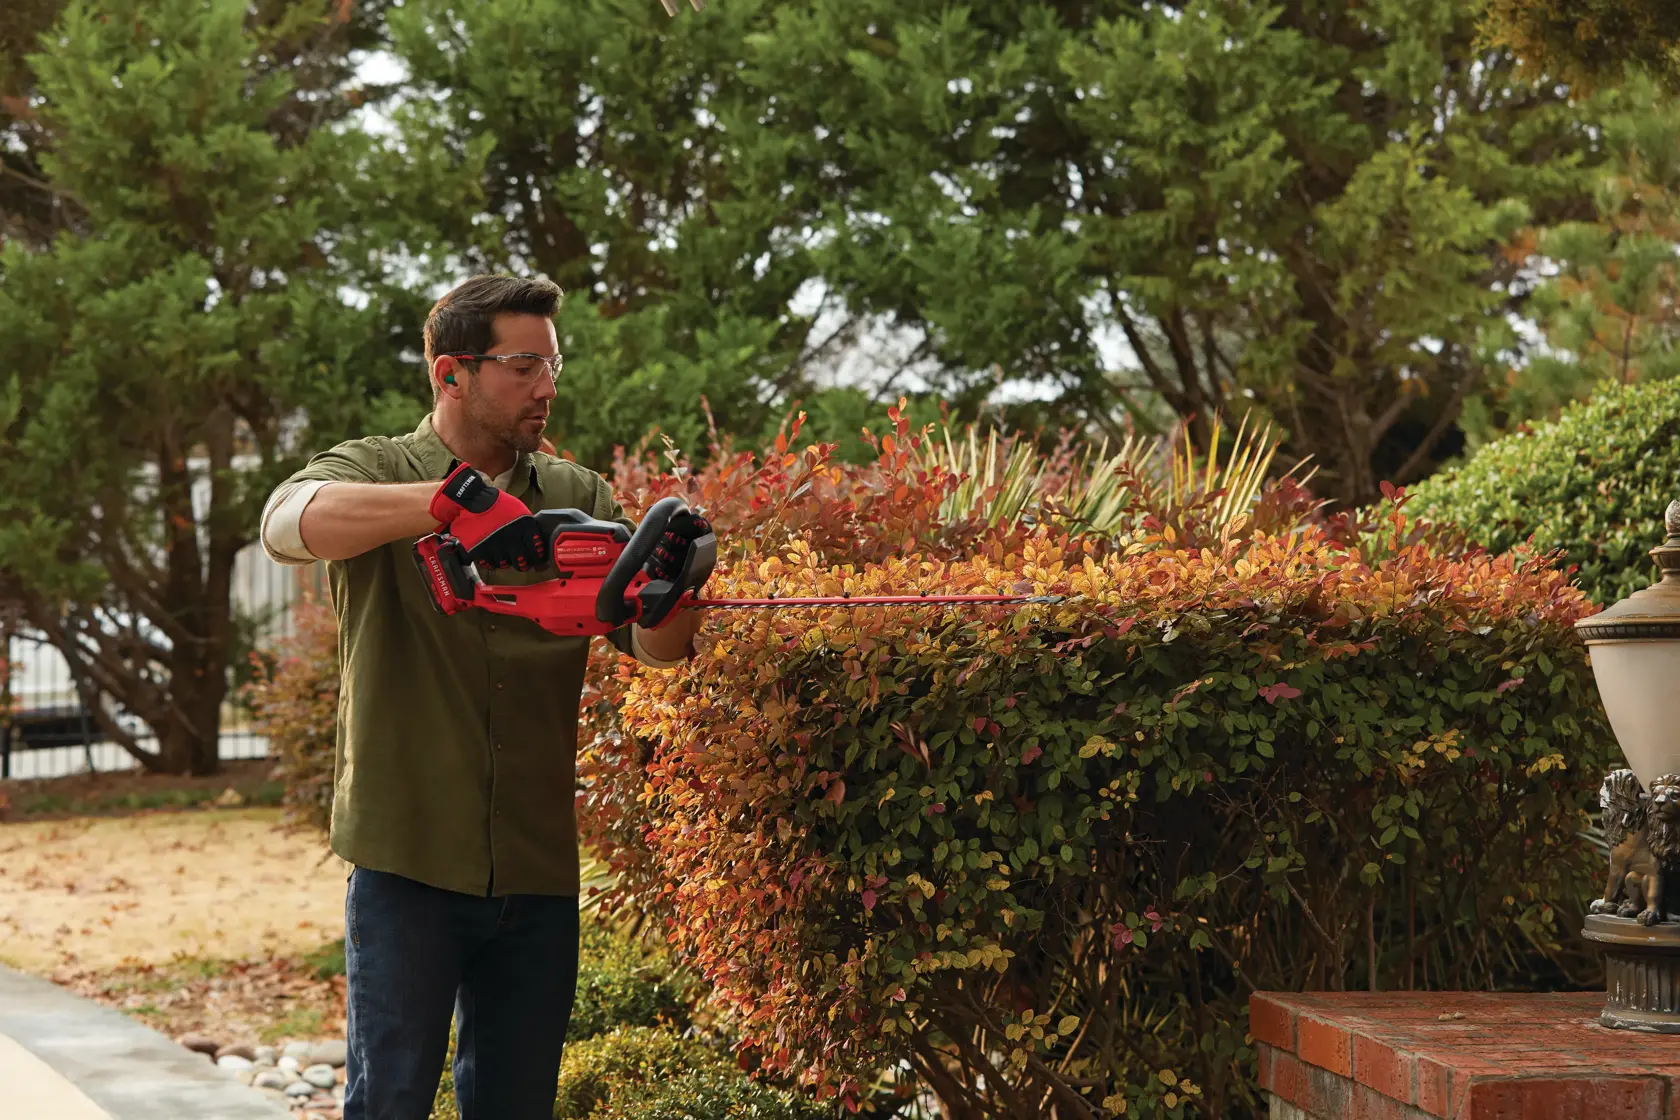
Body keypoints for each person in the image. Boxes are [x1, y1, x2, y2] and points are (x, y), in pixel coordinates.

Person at [259, 274, 707, 1120]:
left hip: (536, 865)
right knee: (388, 1101)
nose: (547, 385)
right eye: (522, 365)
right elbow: (287, 522)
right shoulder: (379, 469)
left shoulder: (582, 500)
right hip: (409, 863)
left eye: (553, 364)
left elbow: (653, 653)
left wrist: (671, 600)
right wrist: (444, 506)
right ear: (450, 373)